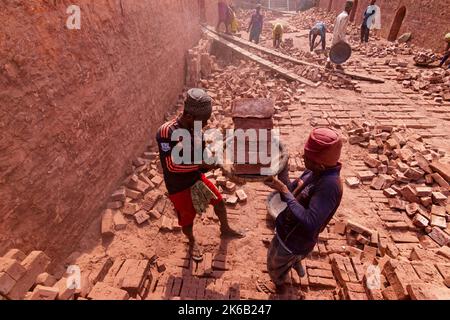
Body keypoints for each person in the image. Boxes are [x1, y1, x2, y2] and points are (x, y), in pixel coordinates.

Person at [156, 89, 245, 261]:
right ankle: (192, 242)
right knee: (187, 219)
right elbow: (171, 167)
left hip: (195, 179)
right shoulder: (166, 132)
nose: (204, 124)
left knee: (219, 202)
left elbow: (202, 161)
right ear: (189, 116)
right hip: (178, 186)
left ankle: (225, 229)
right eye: (202, 120)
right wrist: (202, 164)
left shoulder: (197, 132)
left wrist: (216, 162)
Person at [265, 128, 344, 294]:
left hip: (295, 240)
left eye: (307, 157)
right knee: (286, 256)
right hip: (288, 229)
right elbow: (292, 189)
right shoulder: (313, 171)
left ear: (320, 164)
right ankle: (294, 261)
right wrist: (281, 169)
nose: (302, 158)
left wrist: (285, 192)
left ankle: (280, 284)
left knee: (274, 263)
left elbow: (311, 221)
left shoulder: (329, 186)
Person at [327, 1, 353, 69]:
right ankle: (338, 64)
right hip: (339, 36)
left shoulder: (340, 15)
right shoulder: (345, 16)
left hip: (335, 34)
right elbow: (341, 29)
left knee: (333, 49)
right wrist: (343, 40)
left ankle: (328, 62)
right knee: (341, 50)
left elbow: (335, 25)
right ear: (349, 8)